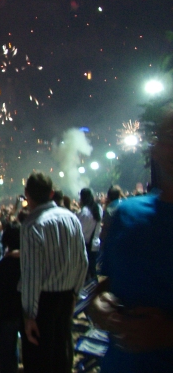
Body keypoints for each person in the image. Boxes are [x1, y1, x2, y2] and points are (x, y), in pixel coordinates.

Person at [88, 106, 173, 371]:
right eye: (168, 135)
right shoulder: (126, 215)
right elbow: (107, 287)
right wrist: (98, 308)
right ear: (155, 148)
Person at [20, 172, 88, 373]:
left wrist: (29, 316)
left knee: (40, 361)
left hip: (42, 304)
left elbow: (31, 275)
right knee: (62, 357)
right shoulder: (72, 218)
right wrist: (75, 293)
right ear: (51, 193)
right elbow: (83, 262)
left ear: (27, 194)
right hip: (67, 298)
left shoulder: (32, 225)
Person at [0, 223, 23, 373]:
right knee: (12, 350)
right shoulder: (27, 261)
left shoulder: (6, 263)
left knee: (4, 353)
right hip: (20, 311)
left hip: (3, 313)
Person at [77, 188, 103, 281]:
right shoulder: (98, 208)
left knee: (87, 273)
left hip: (86, 246)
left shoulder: (84, 212)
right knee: (93, 271)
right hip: (95, 244)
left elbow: (79, 231)